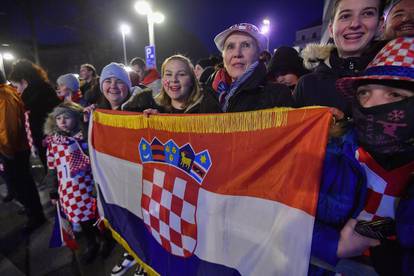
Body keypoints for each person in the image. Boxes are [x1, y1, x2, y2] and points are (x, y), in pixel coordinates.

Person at [312, 36, 414, 275]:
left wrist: (396, 261)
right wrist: (332, 245)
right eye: (364, 93)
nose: (371, 106)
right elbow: (286, 212)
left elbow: (394, 225)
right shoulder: (333, 152)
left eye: (394, 95)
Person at [294, 0, 387, 115]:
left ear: (380, 24)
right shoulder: (307, 84)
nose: (355, 24)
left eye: (367, 13)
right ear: (331, 29)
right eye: (345, 16)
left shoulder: (396, 80)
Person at [43, 101, 108, 264]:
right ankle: (92, 243)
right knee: (82, 219)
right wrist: (53, 190)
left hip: (88, 187)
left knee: (95, 217)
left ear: (76, 118)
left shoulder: (83, 138)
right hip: (68, 189)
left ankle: (106, 240)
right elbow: (52, 168)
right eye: (58, 118)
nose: (62, 121)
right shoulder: (53, 143)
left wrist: (87, 125)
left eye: (67, 117)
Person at [210, 23, 294, 112]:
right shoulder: (211, 95)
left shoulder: (277, 95)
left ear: (260, 54)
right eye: (230, 47)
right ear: (223, 56)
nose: (237, 54)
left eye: (245, 45)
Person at [0, 69, 45, 231]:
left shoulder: (4, 95)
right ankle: (32, 210)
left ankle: (36, 215)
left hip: (13, 149)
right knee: (19, 183)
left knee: (22, 183)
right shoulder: (6, 93)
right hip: (12, 147)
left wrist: (6, 150)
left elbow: (9, 127)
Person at [9, 59, 61, 171]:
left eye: (16, 86)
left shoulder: (32, 97)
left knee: (55, 173)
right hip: (49, 139)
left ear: (24, 81)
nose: (16, 90)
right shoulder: (43, 88)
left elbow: (52, 115)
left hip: (49, 140)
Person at [126, 55, 221, 114]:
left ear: (192, 80)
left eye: (181, 74)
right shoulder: (155, 108)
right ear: (163, 80)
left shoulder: (208, 109)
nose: (174, 80)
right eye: (168, 74)